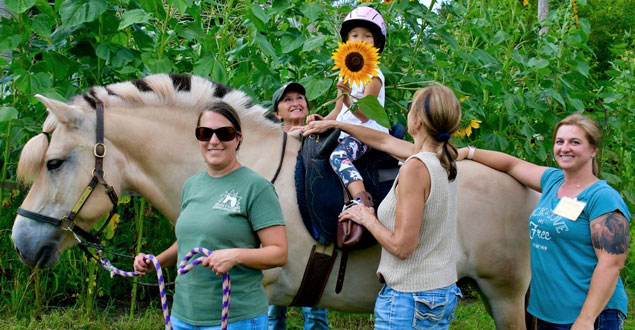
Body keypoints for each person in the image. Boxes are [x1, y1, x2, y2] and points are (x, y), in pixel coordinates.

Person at [304, 84, 464, 329]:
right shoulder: (444, 159)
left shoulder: (415, 168)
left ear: (418, 122)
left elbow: (402, 247)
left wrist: (366, 217)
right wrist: (337, 124)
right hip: (440, 293)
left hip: (409, 299)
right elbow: (383, 140)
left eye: (411, 108)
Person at [455, 113, 629, 329]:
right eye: (560, 142)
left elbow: (611, 264)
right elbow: (511, 165)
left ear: (593, 149)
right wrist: (469, 152)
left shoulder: (603, 197)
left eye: (575, 142)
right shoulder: (552, 181)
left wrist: (586, 319)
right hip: (549, 312)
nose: (565, 148)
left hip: (591, 314)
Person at [133, 101, 288, 330]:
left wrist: (234, 256)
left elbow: (278, 253)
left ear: (237, 138)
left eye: (224, 133)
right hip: (182, 316)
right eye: (205, 133)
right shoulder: (192, 186)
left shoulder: (257, 188)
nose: (214, 141)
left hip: (236, 319)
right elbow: (189, 242)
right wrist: (154, 261)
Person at [305, 6, 389, 212]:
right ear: (347, 41)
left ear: (376, 43)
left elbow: (364, 115)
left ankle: (361, 200)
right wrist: (321, 120)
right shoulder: (345, 74)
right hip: (344, 131)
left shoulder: (374, 75)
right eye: (354, 35)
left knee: (338, 157)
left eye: (367, 36)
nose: (360, 40)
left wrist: (349, 96)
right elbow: (337, 112)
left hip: (366, 134)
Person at [267, 82, 330, 330]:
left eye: (300, 97)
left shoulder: (317, 135)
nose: (295, 102)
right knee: (273, 309)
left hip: (310, 227)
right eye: (287, 100)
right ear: (276, 113)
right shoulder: (270, 143)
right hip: (274, 228)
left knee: (314, 306)